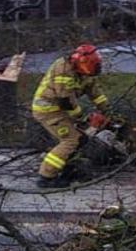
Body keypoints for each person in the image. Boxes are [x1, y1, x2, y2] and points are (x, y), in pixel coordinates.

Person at [30, 43, 115, 189]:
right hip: (48, 110)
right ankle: (46, 177)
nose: (95, 69)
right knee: (70, 140)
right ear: (83, 63)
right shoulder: (63, 70)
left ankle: (68, 170)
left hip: (61, 109)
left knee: (81, 139)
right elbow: (66, 102)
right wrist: (84, 121)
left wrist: (107, 111)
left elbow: (95, 93)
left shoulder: (85, 72)